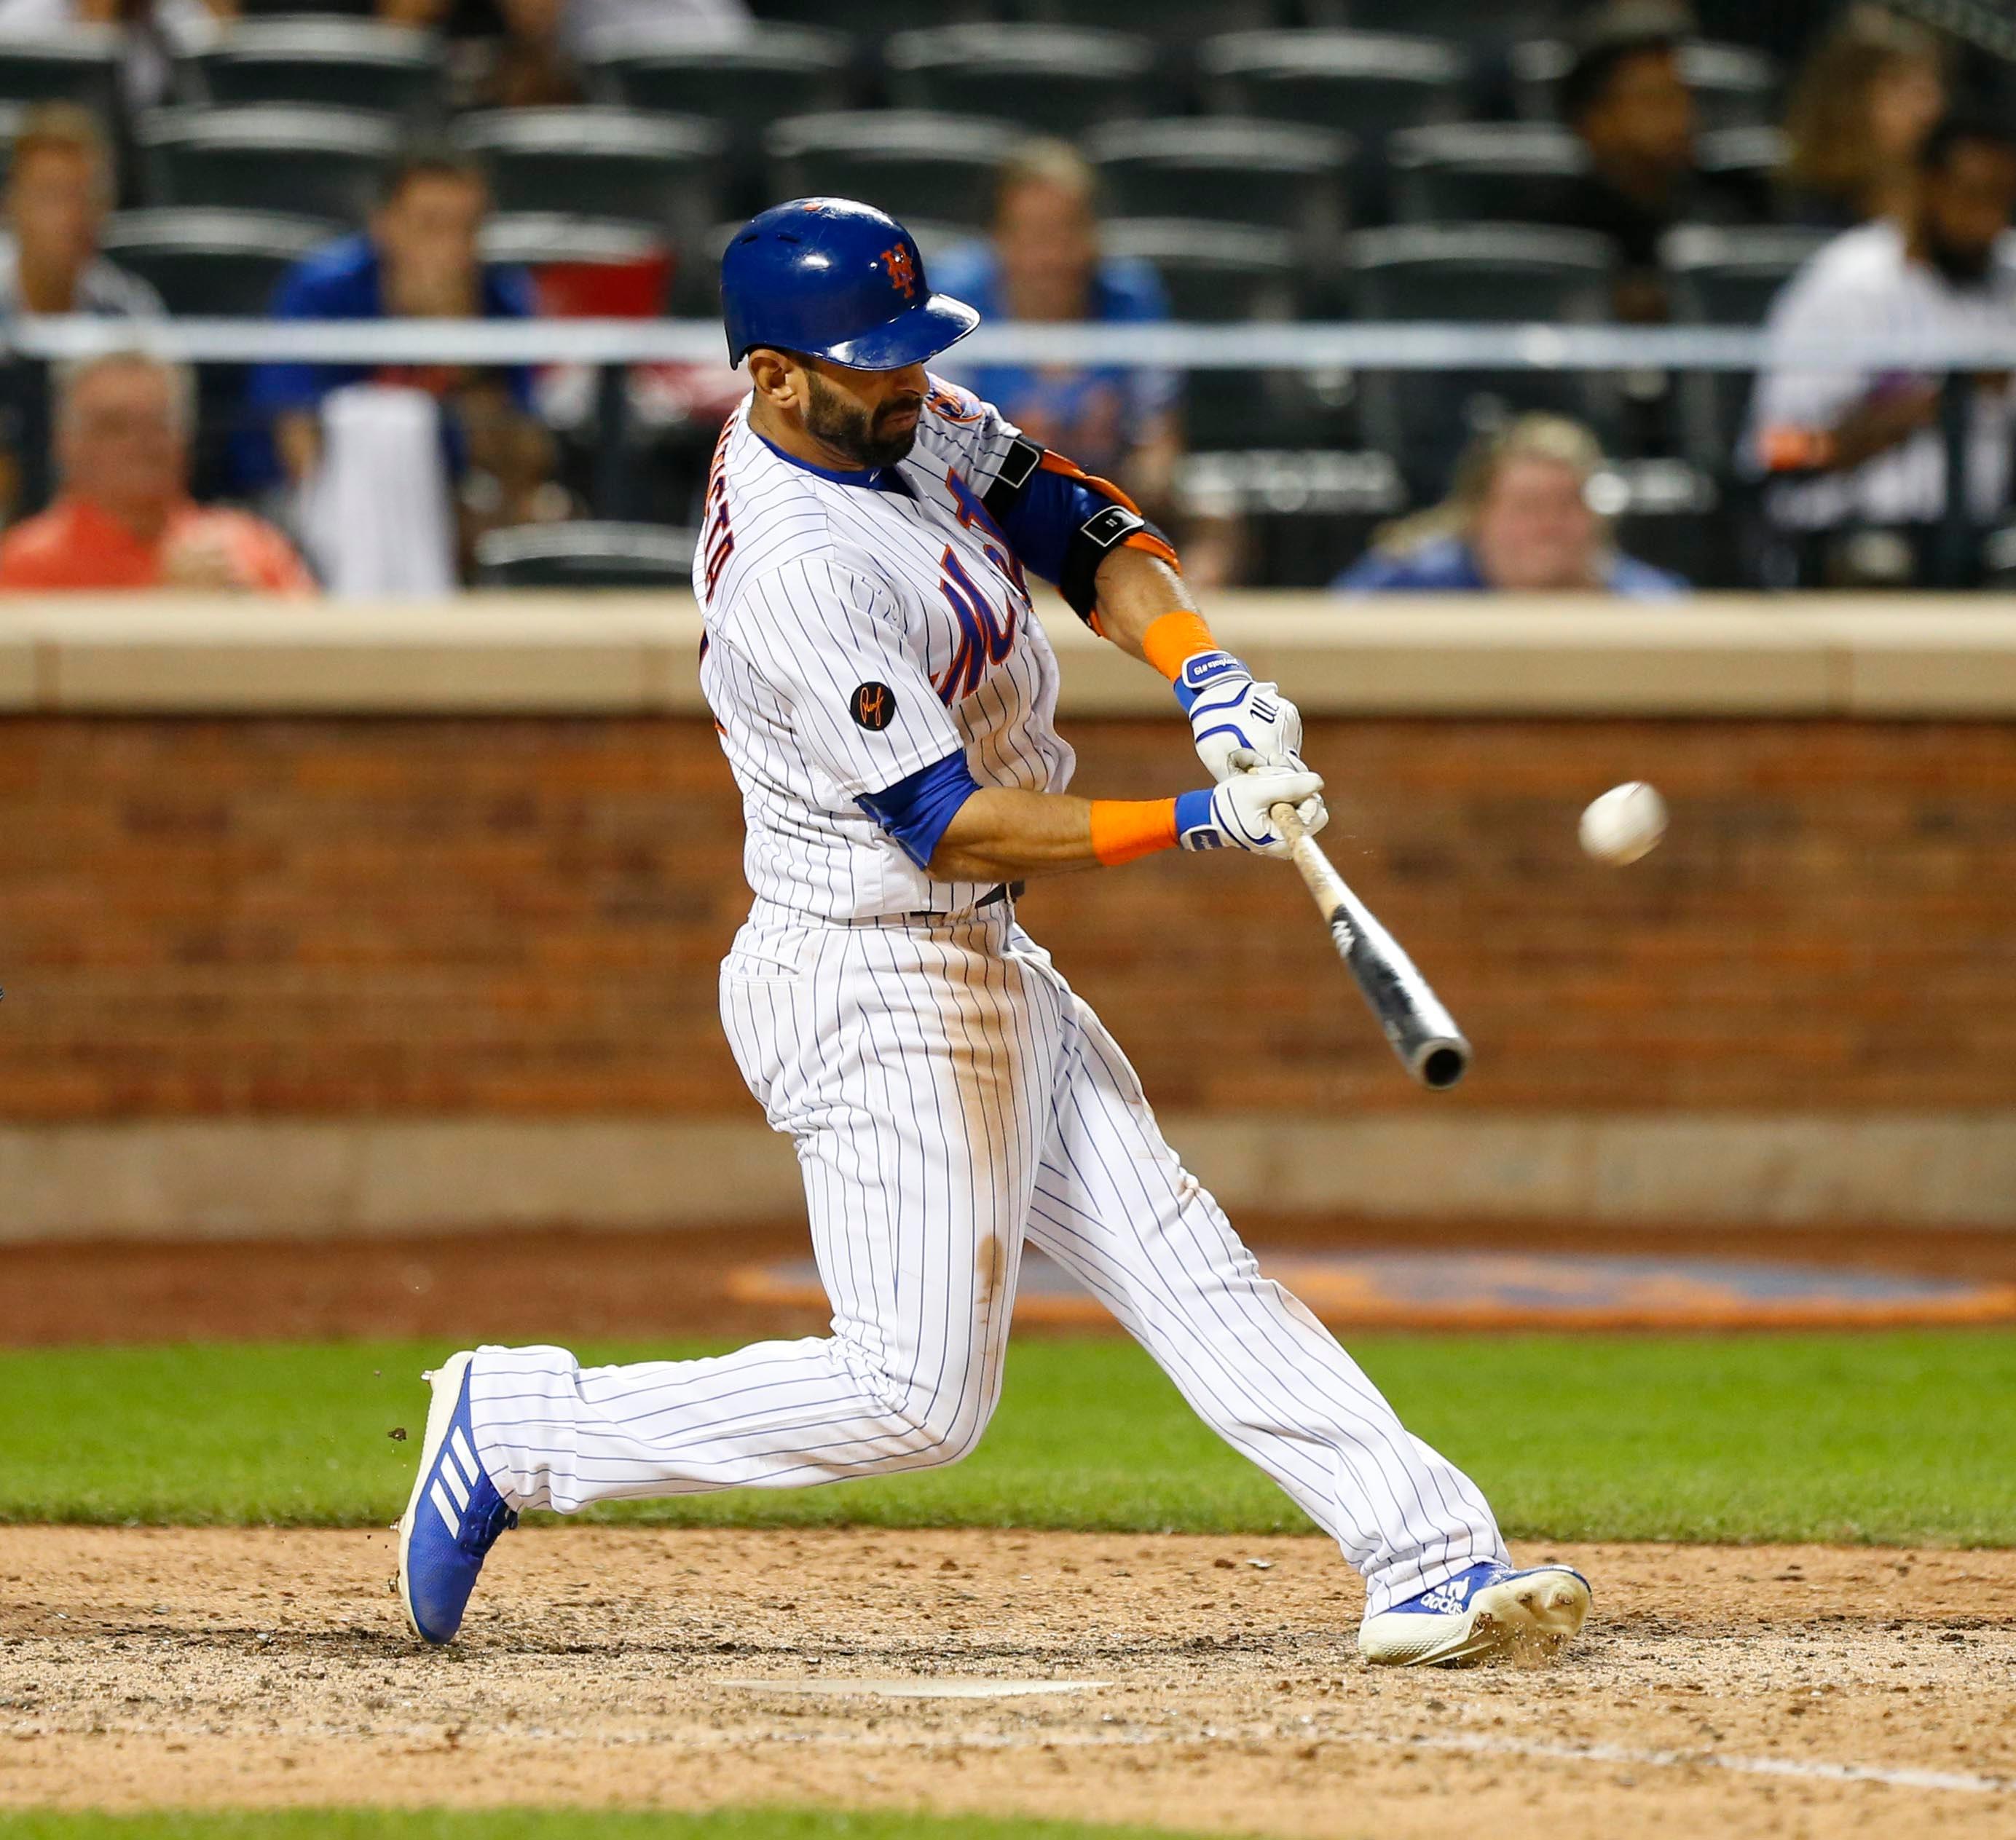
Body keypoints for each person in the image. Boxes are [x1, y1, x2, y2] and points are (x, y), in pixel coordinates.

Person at [392, 197, 1594, 1673]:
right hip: (872, 968)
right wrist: (1194, 823)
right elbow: (943, 821)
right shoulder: (794, 565)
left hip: (979, 957)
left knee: (1187, 1263)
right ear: (769, 376)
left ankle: (1425, 1556)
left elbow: (1076, 524)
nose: (909, 383)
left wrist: (1204, 672)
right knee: (915, 1400)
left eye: (913, 352)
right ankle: (519, 1428)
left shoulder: (898, 416)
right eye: (870, 362)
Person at [1749, 113, 2016, 587]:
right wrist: (1929, 405)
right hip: (1854, 538)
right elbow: (1777, 448)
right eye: (1971, 196)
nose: (1989, 221)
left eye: (2002, 201)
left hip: (1984, 538)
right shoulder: (1845, 285)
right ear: (1924, 187)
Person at [243, 144, 548, 521]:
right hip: (325, 495)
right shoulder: (323, 291)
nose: (451, 250)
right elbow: (295, 436)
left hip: (445, 496)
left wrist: (463, 360)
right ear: (384, 224)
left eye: (467, 229)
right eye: (431, 225)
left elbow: (520, 469)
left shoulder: (501, 299)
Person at [926, 140, 1182, 516]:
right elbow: (937, 447)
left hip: (1107, 498)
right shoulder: (955, 300)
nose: (1052, 257)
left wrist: (1136, 491)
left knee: (1216, 523)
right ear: (999, 238)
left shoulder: (1132, 297)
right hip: (987, 504)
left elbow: (1158, 436)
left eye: (1068, 232)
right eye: (1033, 235)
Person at [0, 351, 312, 593]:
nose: (140, 443)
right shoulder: (23, 568)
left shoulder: (251, 547)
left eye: (158, 424)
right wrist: (160, 607)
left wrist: (245, 606)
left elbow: (318, 655)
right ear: (66, 444)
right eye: (115, 426)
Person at [0, 103, 163, 522]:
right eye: (52, 196)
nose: (73, 216)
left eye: (88, 195)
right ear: (10, 206)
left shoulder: (131, 315)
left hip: (95, 527)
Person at [1334, 414, 1687, 597]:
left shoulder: (1637, 598)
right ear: (1479, 516)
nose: (1548, 526)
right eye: (1528, 507)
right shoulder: (1410, 580)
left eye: (1566, 506)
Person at [1553, 0, 1747, 323]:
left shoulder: (1725, 216)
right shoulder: (1556, 237)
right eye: (1654, 100)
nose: (1680, 118)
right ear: (1593, 119)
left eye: (1683, 97)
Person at [1778, 8, 1948, 229]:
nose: (1930, 108)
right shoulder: (1803, 215)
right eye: (1903, 87)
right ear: (1847, 99)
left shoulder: (1946, 216)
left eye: (1931, 87)